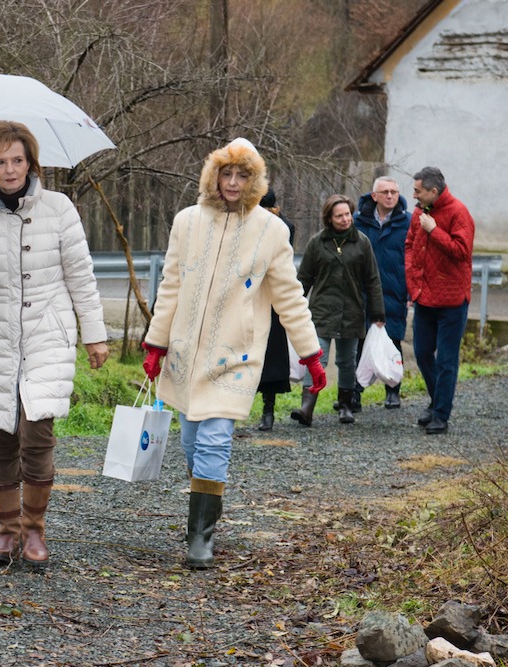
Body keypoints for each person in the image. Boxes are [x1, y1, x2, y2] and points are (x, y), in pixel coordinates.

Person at [141, 138, 326, 569]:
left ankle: (200, 538)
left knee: (214, 441)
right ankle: (203, 503)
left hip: (235, 356)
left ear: (254, 182)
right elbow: (170, 285)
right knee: (191, 442)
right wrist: (156, 342)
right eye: (226, 174)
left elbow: (291, 298)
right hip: (186, 353)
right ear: (213, 176)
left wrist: (311, 355)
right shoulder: (187, 222)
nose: (232, 183)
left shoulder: (271, 231)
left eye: (242, 176)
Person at [0, 120, 110, 567]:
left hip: (47, 335)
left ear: (31, 162)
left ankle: (34, 530)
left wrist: (94, 335)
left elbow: (80, 274)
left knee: (37, 431)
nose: (10, 169)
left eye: (17, 160)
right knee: (1, 434)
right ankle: (6, 531)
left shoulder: (59, 208)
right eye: (0, 161)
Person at [295, 194, 385, 425]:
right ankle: (307, 407)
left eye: (347, 214)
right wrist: (293, 307)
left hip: (352, 311)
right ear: (329, 218)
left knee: (346, 361)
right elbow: (304, 278)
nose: (345, 219)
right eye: (339, 216)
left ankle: (345, 405)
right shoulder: (317, 242)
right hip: (322, 311)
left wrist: (378, 314)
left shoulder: (362, 242)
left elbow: (372, 279)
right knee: (317, 358)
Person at [405, 167, 474, 435]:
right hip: (424, 297)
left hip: (452, 300)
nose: (414, 195)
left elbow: (462, 252)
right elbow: (410, 245)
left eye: (418, 191)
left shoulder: (458, 212)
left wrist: (434, 230)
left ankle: (441, 415)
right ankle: (437, 401)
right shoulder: (420, 211)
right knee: (422, 353)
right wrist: (413, 283)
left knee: (446, 359)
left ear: (434, 191)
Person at [354, 175, 410, 409]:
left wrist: (409, 292)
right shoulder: (359, 222)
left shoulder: (408, 222)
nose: (389, 196)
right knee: (360, 340)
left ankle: (393, 389)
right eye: (385, 192)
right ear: (374, 195)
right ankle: (354, 393)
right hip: (363, 291)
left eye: (394, 192)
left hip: (395, 289)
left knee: (393, 340)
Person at [256, 188, 296, 431]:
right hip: (244, 296)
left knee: (271, 355)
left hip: (270, 296)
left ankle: (267, 410)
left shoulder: (283, 227)